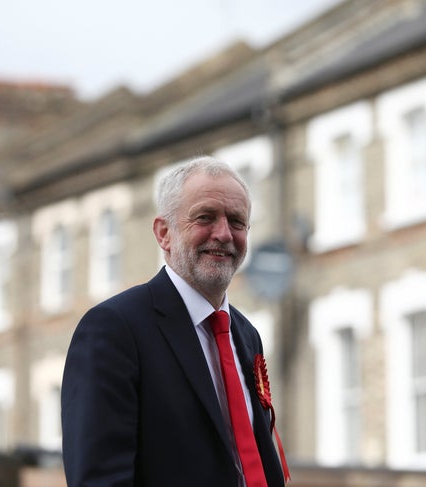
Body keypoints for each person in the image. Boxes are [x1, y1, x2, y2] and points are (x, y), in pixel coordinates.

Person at [61, 156, 287, 486]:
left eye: (237, 221)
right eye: (205, 217)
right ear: (164, 233)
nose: (223, 234)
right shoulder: (114, 329)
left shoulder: (245, 334)